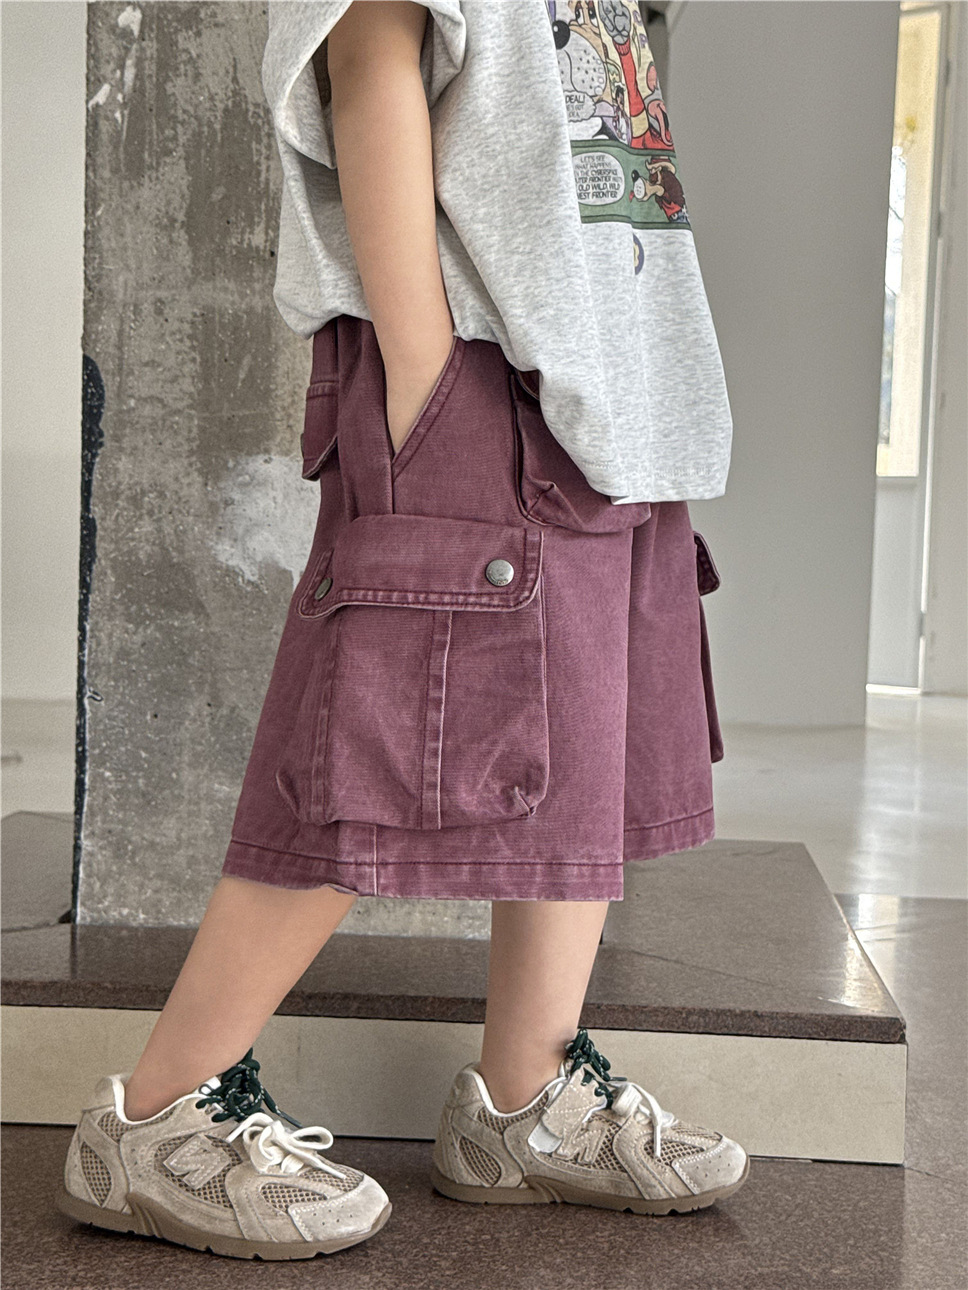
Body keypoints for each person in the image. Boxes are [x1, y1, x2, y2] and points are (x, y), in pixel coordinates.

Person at [56, 0, 747, 1260]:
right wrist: (427, 382)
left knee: (575, 751)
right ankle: (156, 1118)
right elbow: (371, 59)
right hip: (483, 373)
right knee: (376, 752)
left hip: (611, 393)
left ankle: (525, 1103)